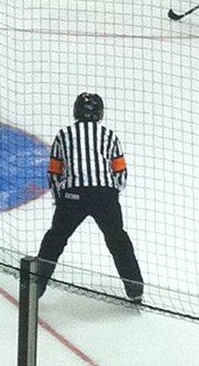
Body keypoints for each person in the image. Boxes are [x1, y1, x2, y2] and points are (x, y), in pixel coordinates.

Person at [36, 93, 144, 301]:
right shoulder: (110, 136)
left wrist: (62, 200)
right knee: (118, 239)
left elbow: (54, 173)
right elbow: (120, 173)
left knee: (55, 239)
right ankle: (135, 289)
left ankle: (35, 286)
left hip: (73, 194)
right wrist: (110, 195)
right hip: (105, 194)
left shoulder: (63, 135)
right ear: (100, 114)